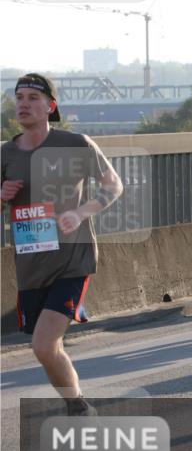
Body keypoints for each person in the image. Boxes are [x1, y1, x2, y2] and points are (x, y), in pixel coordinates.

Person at [1, 74, 123, 416]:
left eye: (33, 98)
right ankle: (77, 403)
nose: (24, 104)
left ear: (50, 106)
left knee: (43, 344)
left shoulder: (75, 144)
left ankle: (78, 409)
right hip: (31, 266)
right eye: (19, 97)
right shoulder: (5, 153)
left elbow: (113, 185)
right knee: (46, 348)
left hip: (73, 260)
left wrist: (81, 213)